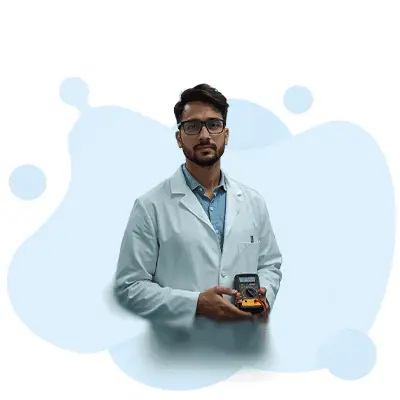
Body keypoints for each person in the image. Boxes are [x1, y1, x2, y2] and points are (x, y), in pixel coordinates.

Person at [113, 83, 283, 364]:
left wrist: (264, 296)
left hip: (247, 355)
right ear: (179, 138)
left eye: (213, 124)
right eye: (192, 126)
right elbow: (129, 287)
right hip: (181, 358)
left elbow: (270, 264)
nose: (204, 135)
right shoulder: (150, 206)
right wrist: (196, 304)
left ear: (225, 134)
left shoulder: (253, 202)